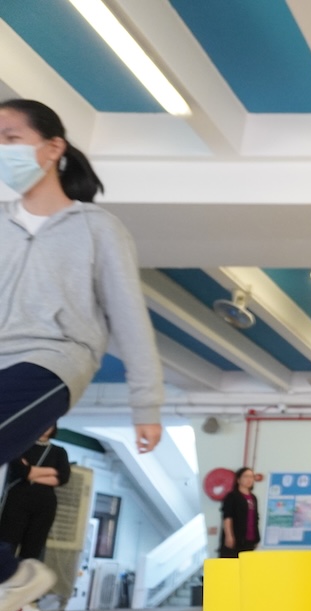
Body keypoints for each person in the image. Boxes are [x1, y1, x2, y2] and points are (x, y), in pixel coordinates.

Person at [0, 99, 163, 466]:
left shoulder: (98, 228)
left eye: (11, 139)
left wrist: (146, 406)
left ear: (53, 147)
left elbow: (130, 318)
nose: (2, 150)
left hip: (52, 359)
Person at [0, 424, 70, 611]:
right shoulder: (22, 445)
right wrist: (49, 471)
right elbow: (22, 472)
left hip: (44, 505)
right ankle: (4, 589)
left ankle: (24, 601)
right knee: (7, 543)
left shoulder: (59, 451)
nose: (46, 427)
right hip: (16, 501)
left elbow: (63, 477)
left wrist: (32, 471)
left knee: (33, 548)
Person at [218, 467, 260, 558]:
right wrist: (229, 536)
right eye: (246, 476)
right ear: (238, 479)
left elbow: (255, 518)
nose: (249, 479)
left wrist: (257, 538)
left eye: (251, 477)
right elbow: (227, 517)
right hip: (236, 537)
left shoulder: (253, 497)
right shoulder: (232, 496)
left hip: (250, 539)